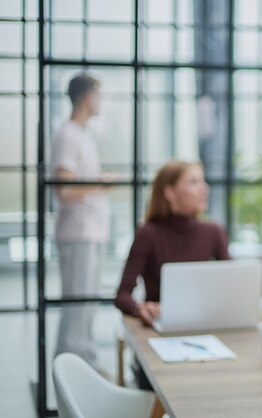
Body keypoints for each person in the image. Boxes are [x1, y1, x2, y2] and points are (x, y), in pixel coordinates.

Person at [114, 160, 230, 327]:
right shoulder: (148, 234)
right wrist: (140, 308)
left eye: (203, 181)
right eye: (193, 182)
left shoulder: (214, 232)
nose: (205, 189)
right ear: (170, 192)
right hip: (160, 328)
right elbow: (122, 295)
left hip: (204, 325)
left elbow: (232, 283)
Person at [51, 72, 110, 367]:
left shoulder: (82, 136)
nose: (101, 102)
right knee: (77, 306)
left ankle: (84, 365)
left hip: (90, 233)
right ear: (88, 98)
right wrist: (99, 182)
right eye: (98, 95)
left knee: (86, 304)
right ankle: (70, 371)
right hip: (77, 233)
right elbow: (64, 189)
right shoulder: (67, 135)